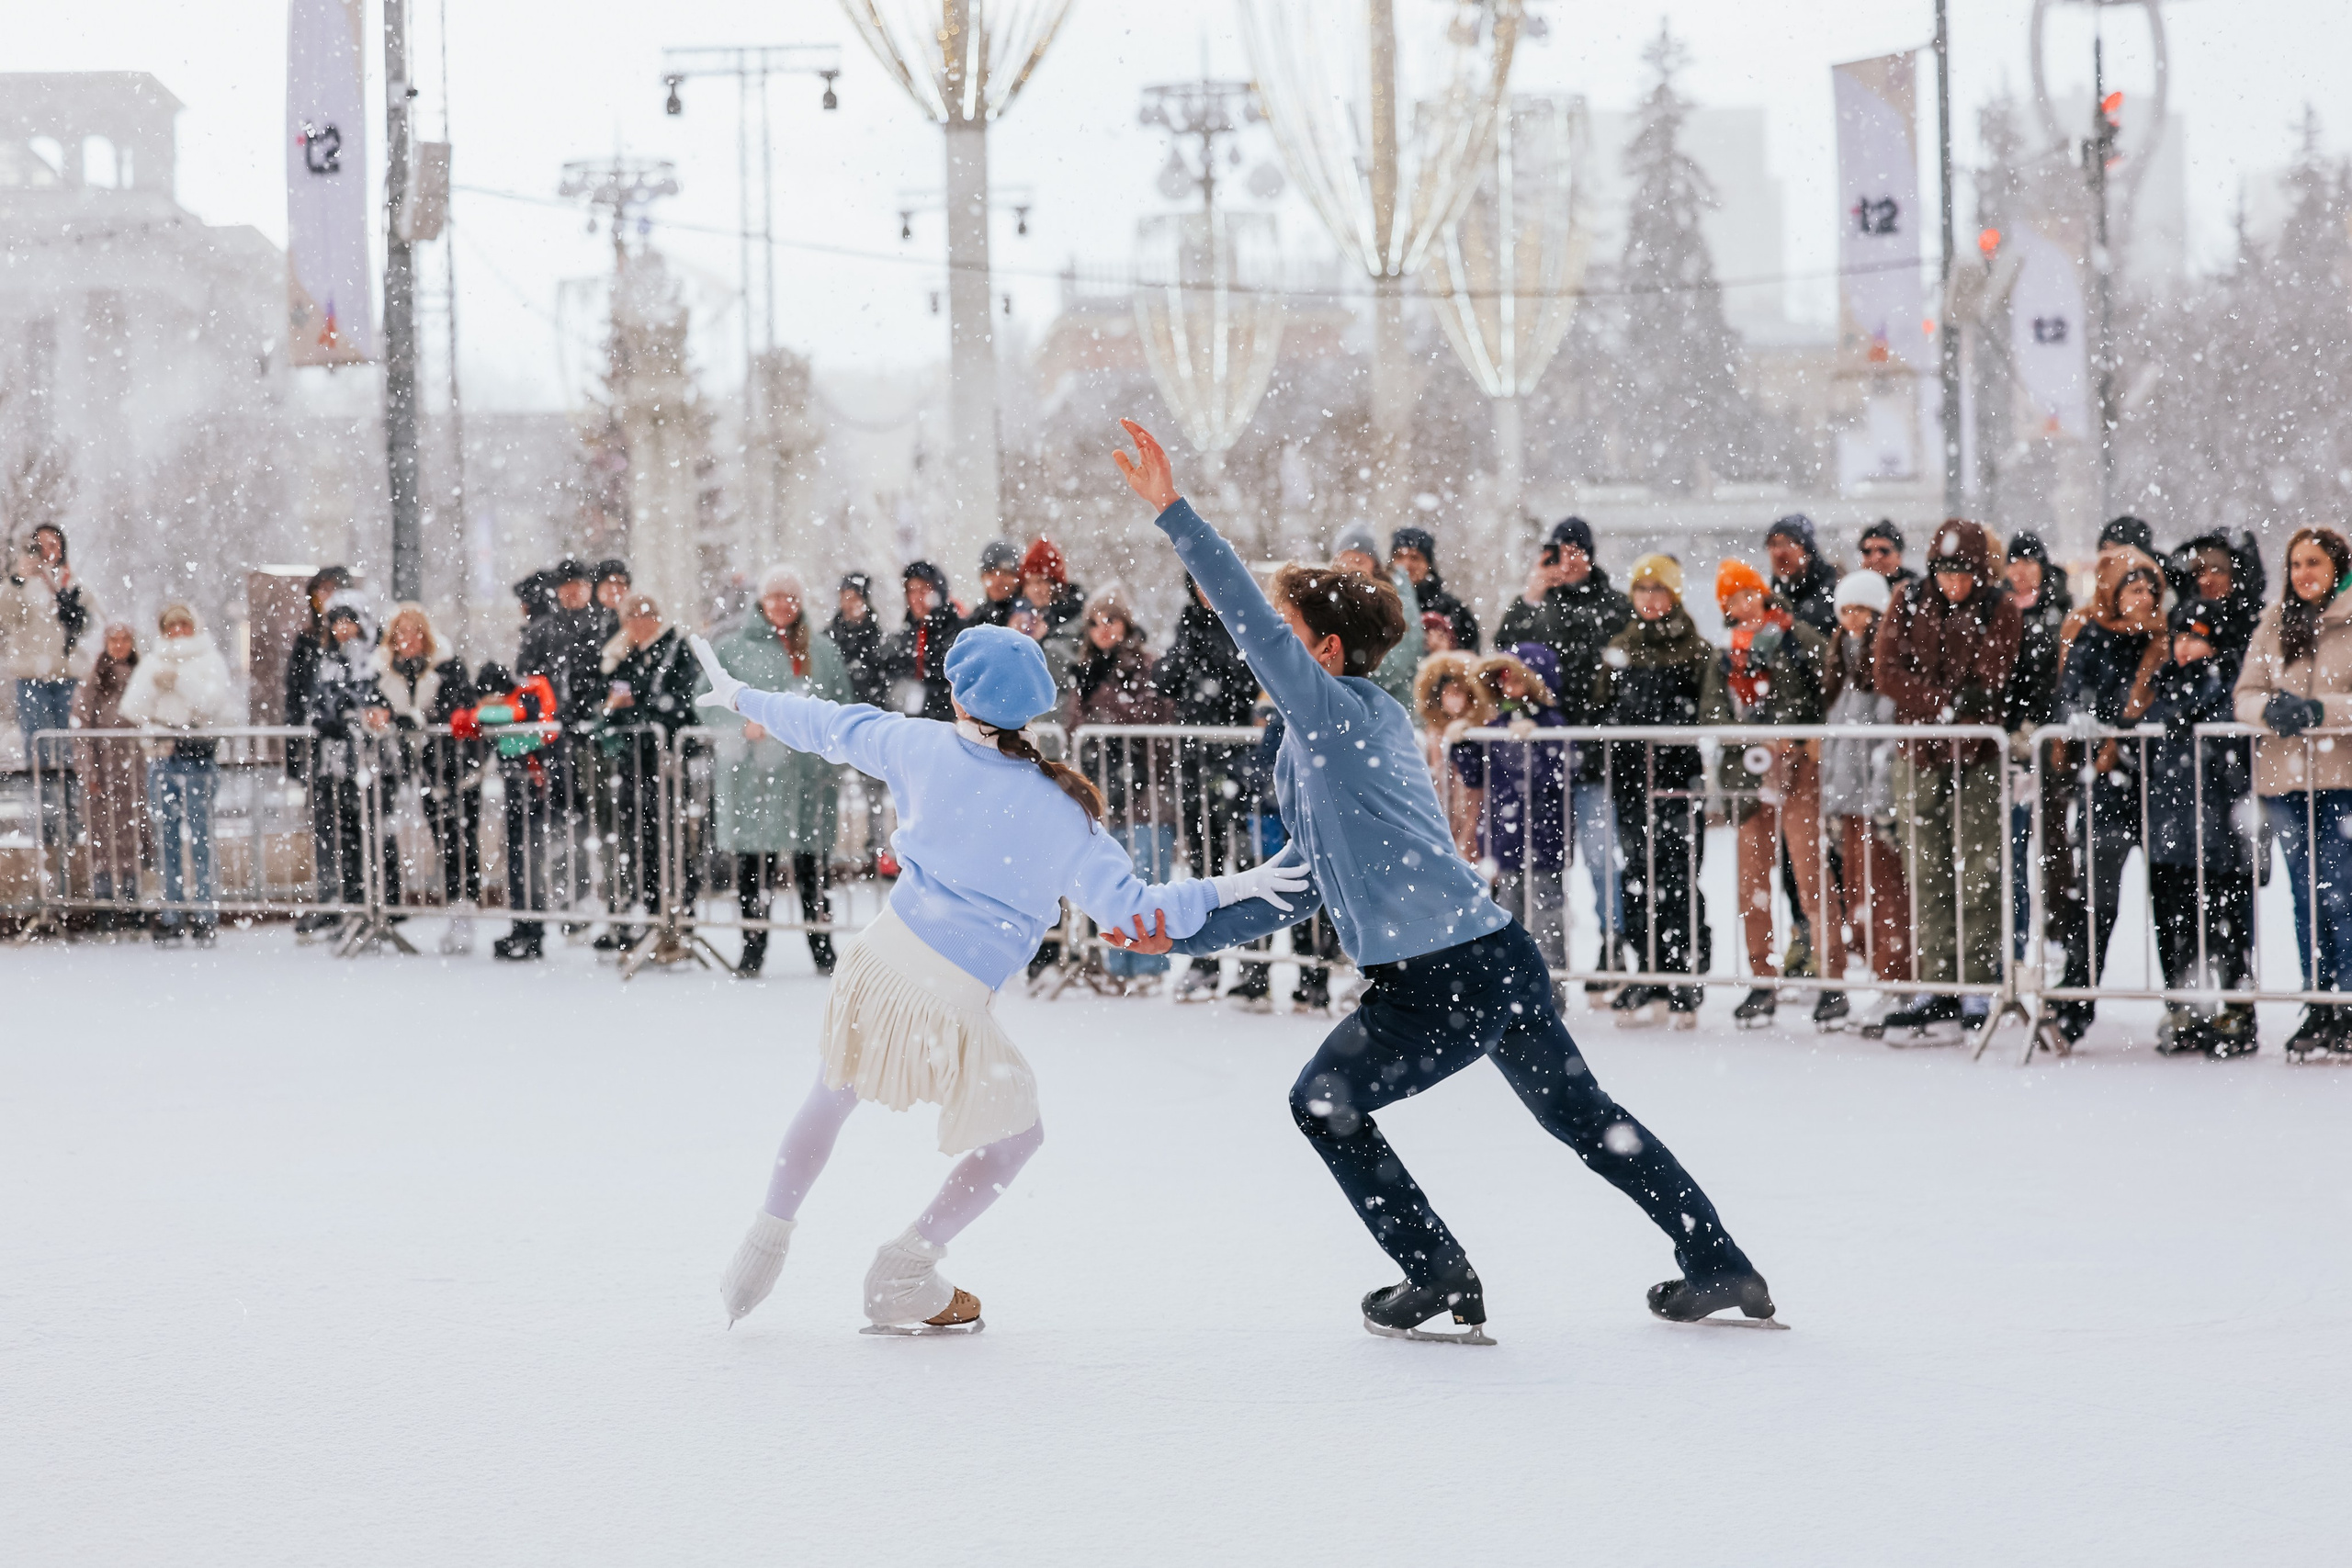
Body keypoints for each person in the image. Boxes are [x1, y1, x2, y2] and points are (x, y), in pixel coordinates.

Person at [1114, 419, 1773, 1337]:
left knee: (1323, 1101)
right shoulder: (1310, 747)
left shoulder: (1338, 718)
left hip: (1437, 977)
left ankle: (1436, 1271)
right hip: (1492, 958)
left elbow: (1251, 625)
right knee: (1586, 1119)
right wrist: (1176, 929)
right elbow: (1295, 884)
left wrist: (1175, 514)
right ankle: (1718, 1261)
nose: (1261, 650)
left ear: (1325, 652)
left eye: (1288, 635)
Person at [699, 622, 1307, 1333]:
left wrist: (741, 695)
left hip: (880, 958)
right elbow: (1137, 909)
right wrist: (1239, 885)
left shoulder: (916, 743)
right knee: (1016, 1136)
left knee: (831, 1094)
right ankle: (905, 1267)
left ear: (958, 695)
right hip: (953, 994)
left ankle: (765, 1240)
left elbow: (823, 723)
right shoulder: (1063, 810)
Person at [1871, 521, 2022, 1040]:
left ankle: (1976, 982)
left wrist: (1953, 704)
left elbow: (1992, 675)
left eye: (1963, 574)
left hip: (1977, 755)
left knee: (1978, 871)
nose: (1954, 583)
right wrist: (1942, 703)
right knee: (1926, 871)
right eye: (1945, 573)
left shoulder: (1998, 607)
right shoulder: (1908, 600)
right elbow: (1886, 670)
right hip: (1918, 755)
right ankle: (1937, 982)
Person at [1493, 516, 1631, 989]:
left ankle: (1612, 946)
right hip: (1536, 765)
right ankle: (1532, 969)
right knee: (1534, 869)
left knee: (1599, 860)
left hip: (1589, 758)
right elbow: (1504, 657)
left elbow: (1614, 669)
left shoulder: (1613, 606)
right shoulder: (1537, 604)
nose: (1566, 560)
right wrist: (1532, 595)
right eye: (1558, 551)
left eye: (1575, 550)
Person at [2233, 526, 2352, 1060]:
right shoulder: (2276, 623)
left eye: (2314, 563)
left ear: (2338, 568)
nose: (2304, 574)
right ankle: (2318, 999)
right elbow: (2244, 695)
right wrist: (2271, 710)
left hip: (2341, 779)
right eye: (2297, 564)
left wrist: (2322, 710)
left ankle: (2347, 998)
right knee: (2305, 895)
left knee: (2342, 891)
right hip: (2286, 781)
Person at [1595, 553, 1728, 1027]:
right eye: (1642, 589)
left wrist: (1670, 728)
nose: (1649, 599)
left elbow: (1710, 710)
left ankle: (1684, 974)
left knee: (1680, 876)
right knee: (1637, 876)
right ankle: (1647, 970)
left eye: (1658, 590)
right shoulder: (1620, 647)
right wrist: (1620, 727)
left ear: (1674, 595)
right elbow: (1602, 707)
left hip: (1678, 781)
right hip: (1631, 780)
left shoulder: (1697, 649)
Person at [704, 566, 854, 979]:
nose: (783, 605)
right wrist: (740, 725)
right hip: (754, 777)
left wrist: (830, 748)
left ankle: (822, 948)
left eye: (790, 597)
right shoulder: (733, 649)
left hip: (809, 777)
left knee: (813, 865)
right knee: (755, 864)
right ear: (761, 601)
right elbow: (706, 699)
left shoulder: (822, 651)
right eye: (774, 596)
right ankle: (753, 949)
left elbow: (841, 703)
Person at [2043, 557, 2169, 1048]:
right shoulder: (2092, 635)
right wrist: (2082, 717)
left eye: (2150, 590)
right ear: (2113, 593)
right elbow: (2069, 691)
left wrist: (2137, 727)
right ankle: (2075, 1000)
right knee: (2098, 899)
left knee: (2173, 899)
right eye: (2133, 589)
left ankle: (2185, 1001)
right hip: (2108, 783)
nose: (2143, 599)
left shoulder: (2165, 639)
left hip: (2161, 782)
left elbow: (2173, 699)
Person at [1714, 558, 1831, 1028]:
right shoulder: (1724, 652)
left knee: (1811, 875)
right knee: (1752, 884)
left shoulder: (1797, 637)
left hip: (1800, 767)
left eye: (1747, 594)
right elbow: (1712, 711)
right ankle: (1762, 979)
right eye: (1732, 600)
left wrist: (1796, 734)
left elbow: (1825, 690)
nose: (1742, 605)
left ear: (1761, 594)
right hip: (1748, 776)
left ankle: (1832, 978)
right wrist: (1750, 738)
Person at [2143, 600, 2258, 1057]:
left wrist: (2202, 729)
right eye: (2179, 636)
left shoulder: (2229, 685)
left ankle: (2236, 1010)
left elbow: (2237, 757)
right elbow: (2141, 745)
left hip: (2218, 834)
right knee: (2174, 923)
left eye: (2196, 636)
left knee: (2226, 925)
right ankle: (2183, 1008)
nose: (2185, 646)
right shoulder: (2162, 686)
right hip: (2169, 832)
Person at [1156, 572, 1264, 1001]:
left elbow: (1245, 684)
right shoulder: (1188, 624)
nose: (1205, 589)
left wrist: (1214, 660)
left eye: (1210, 579)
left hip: (1237, 761)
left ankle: (1254, 966)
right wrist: (1189, 649)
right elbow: (1164, 679)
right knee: (1205, 867)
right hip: (1195, 763)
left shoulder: (1243, 620)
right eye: (1197, 582)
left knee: (1250, 865)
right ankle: (1205, 960)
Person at [1069, 583, 1180, 994]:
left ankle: (1150, 966)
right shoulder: (1084, 670)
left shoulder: (1146, 665)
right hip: (1104, 791)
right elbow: (1074, 726)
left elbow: (1151, 715)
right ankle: (1117, 963)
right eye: (1095, 622)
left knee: (1148, 877)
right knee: (1110, 881)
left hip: (1146, 788)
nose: (1103, 629)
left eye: (1111, 620)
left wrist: (1104, 710)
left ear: (1126, 624)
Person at [1818, 570, 1910, 1022]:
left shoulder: (1884, 660)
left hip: (1875, 800)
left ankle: (1899, 980)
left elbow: (1887, 736)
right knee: (1859, 895)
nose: (1853, 619)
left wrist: (1882, 797)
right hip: (1849, 800)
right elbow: (1836, 738)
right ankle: (1883, 978)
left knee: (1885, 894)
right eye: (1847, 610)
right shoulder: (1841, 660)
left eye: (1862, 610)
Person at [118, 604, 232, 944]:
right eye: (171, 627)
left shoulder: (210, 659)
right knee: (165, 840)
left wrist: (180, 682)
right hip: (163, 756)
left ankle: (205, 913)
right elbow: (133, 707)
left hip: (198, 755)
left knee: (202, 839)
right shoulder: (154, 661)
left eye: (183, 625)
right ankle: (172, 912)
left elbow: (213, 704)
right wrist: (156, 699)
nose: (178, 632)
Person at [594, 592, 700, 948]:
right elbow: (606, 704)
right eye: (629, 619)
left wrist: (636, 705)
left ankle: (677, 916)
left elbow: (681, 705)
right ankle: (648, 911)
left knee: (670, 841)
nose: (636, 626)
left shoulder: (676, 650)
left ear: (654, 618)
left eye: (641, 617)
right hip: (633, 764)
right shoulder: (623, 655)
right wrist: (615, 706)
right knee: (638, 842)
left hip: (665, 763)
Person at [375, 604, 481, 953]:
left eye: (415, 631)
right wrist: (393, 720)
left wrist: (419, 719)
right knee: (442, 839)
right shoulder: (385, 674)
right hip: (423, 769)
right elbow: (378, 708)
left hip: (457, 767)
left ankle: (464, 911)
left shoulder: (447, 666)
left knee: (461, 840)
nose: (409, 639)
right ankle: (455, 906)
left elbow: (458, 707)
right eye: (401, 632)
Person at [1464, 648, 1573, 977]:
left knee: (1546, 913)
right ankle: (1513, 988)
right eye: (1503, 679)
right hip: (1507, 840)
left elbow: (1550, 777)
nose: (1509, 686)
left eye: (1517, 679)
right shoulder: (1497, 725)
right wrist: (1464, 741)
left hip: (1543, 837)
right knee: (1510, 913)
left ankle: (1550, 987)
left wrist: (1529, 743)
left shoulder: (1552, 725)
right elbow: (1475, 774)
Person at [308, 592, 401, 916]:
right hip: (338, 763)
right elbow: (318, 706)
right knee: (346, 836)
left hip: (375, 760)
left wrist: (357, 714)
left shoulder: (378, 658)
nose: (342, 629)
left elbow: (383, 701)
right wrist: (333, 717)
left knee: (379, 830)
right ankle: (355, 902)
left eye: (348, 621)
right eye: (336, 623)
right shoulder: (327, 661)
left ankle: (385, 902)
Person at [1, 535, 96, 846]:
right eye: (39, 545)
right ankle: (43, 826)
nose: (46, 551)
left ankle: (72, 821)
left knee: (71, 751)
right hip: (31, 677)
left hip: (67, 677)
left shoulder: (73, 583)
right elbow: (5, 617)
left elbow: (91, 625)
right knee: (38, 753)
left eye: (52, 544)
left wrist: (75, 613)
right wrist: (17, 580)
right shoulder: (21, 585)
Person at [284, 565, 355, 935]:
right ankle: (330, 897)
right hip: (319, 749)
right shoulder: (308, 641)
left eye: (332, 591)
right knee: (324, 824)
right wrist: (294, 749)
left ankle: (355, 899)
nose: (325, 599)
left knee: (354, 825)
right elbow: (295, 697)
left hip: (352, 750)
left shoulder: (356, 640)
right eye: (320, 592)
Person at [73, 624, 143, 916]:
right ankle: (105, 905)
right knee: (103, 837)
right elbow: (81, 727)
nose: (119, 645)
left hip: (136, 769)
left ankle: (132, 901)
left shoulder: (142, 675)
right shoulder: (95, 679)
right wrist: (89, 770)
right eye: (114, 640)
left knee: (133, 836)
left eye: (125, 639)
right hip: (104, 768)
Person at [1331, 522, 1423, 711]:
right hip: (1347, 707)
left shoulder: (1398, 603)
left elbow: (1396, 667)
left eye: (1359, 561)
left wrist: (1340, 672)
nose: (1350, 568)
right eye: (1344, 560)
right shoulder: (1330, 602)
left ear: (1375, 565)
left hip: (1391, 709)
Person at [886, 560, 961, 720]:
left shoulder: (956, 632)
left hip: (947, 724)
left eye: (923, 590)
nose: (916, 598)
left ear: (938, 593)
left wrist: (925, 697)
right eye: (911, 591)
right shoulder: (906, 634)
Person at [1389, 525, 1480, 652]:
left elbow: (1470, 656)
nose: (1406, 565)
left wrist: (1446, 654)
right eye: (1399, 557)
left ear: (1428, 564)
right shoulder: (1382, 603)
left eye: (1415, 557)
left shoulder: (1453, 610)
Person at [1763, 513, 1839, 637]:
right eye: (1772, 544)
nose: (1778, 552)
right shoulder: (1772, 595)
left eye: (1787, 543)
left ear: (1807, 550)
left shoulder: (1832, 593)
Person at [1019, 536, 1086, 634]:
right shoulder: (1012, 616)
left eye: (1041, 581)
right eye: (1028, 583)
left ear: (1056, 584)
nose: (1035, 589)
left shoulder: (1080, 619)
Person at [964, 540, 1023, 630]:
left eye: (1005, 573)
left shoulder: (1031, 618)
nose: (998, 581)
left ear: (1017, 578)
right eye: (991, 573)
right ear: (982, 577)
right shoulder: (974, 621)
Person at [1857, 521, 1913, 590]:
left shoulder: (1916, 589)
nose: (1875, 559)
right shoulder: (1852, 587)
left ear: (1899, 556)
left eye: (1884, 551)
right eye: (1867, 551)